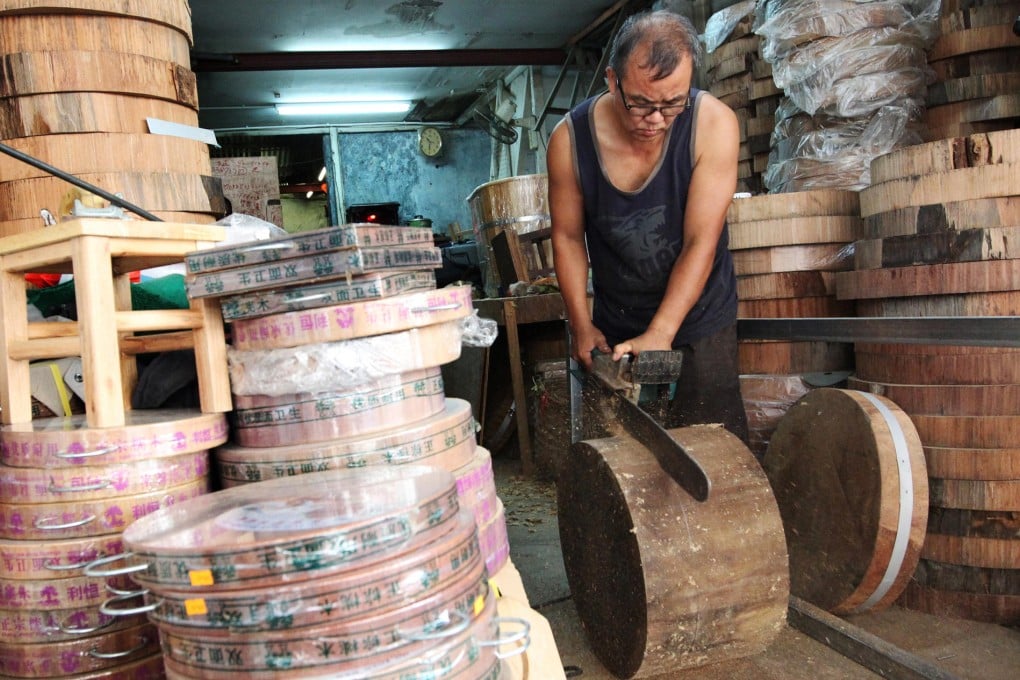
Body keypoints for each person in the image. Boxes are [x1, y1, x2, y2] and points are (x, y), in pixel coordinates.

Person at [548, 9, 748, 442]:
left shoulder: (713, 124)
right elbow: (565, 237)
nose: (655, 120)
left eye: (672, 104)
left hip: (699, 317)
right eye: (640, 104)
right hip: (616, 321)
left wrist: (662, 331)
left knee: (713, 452)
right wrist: (581, 325)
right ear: (612, 80)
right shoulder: (569, 141)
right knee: (620, 466)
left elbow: (701, 241)